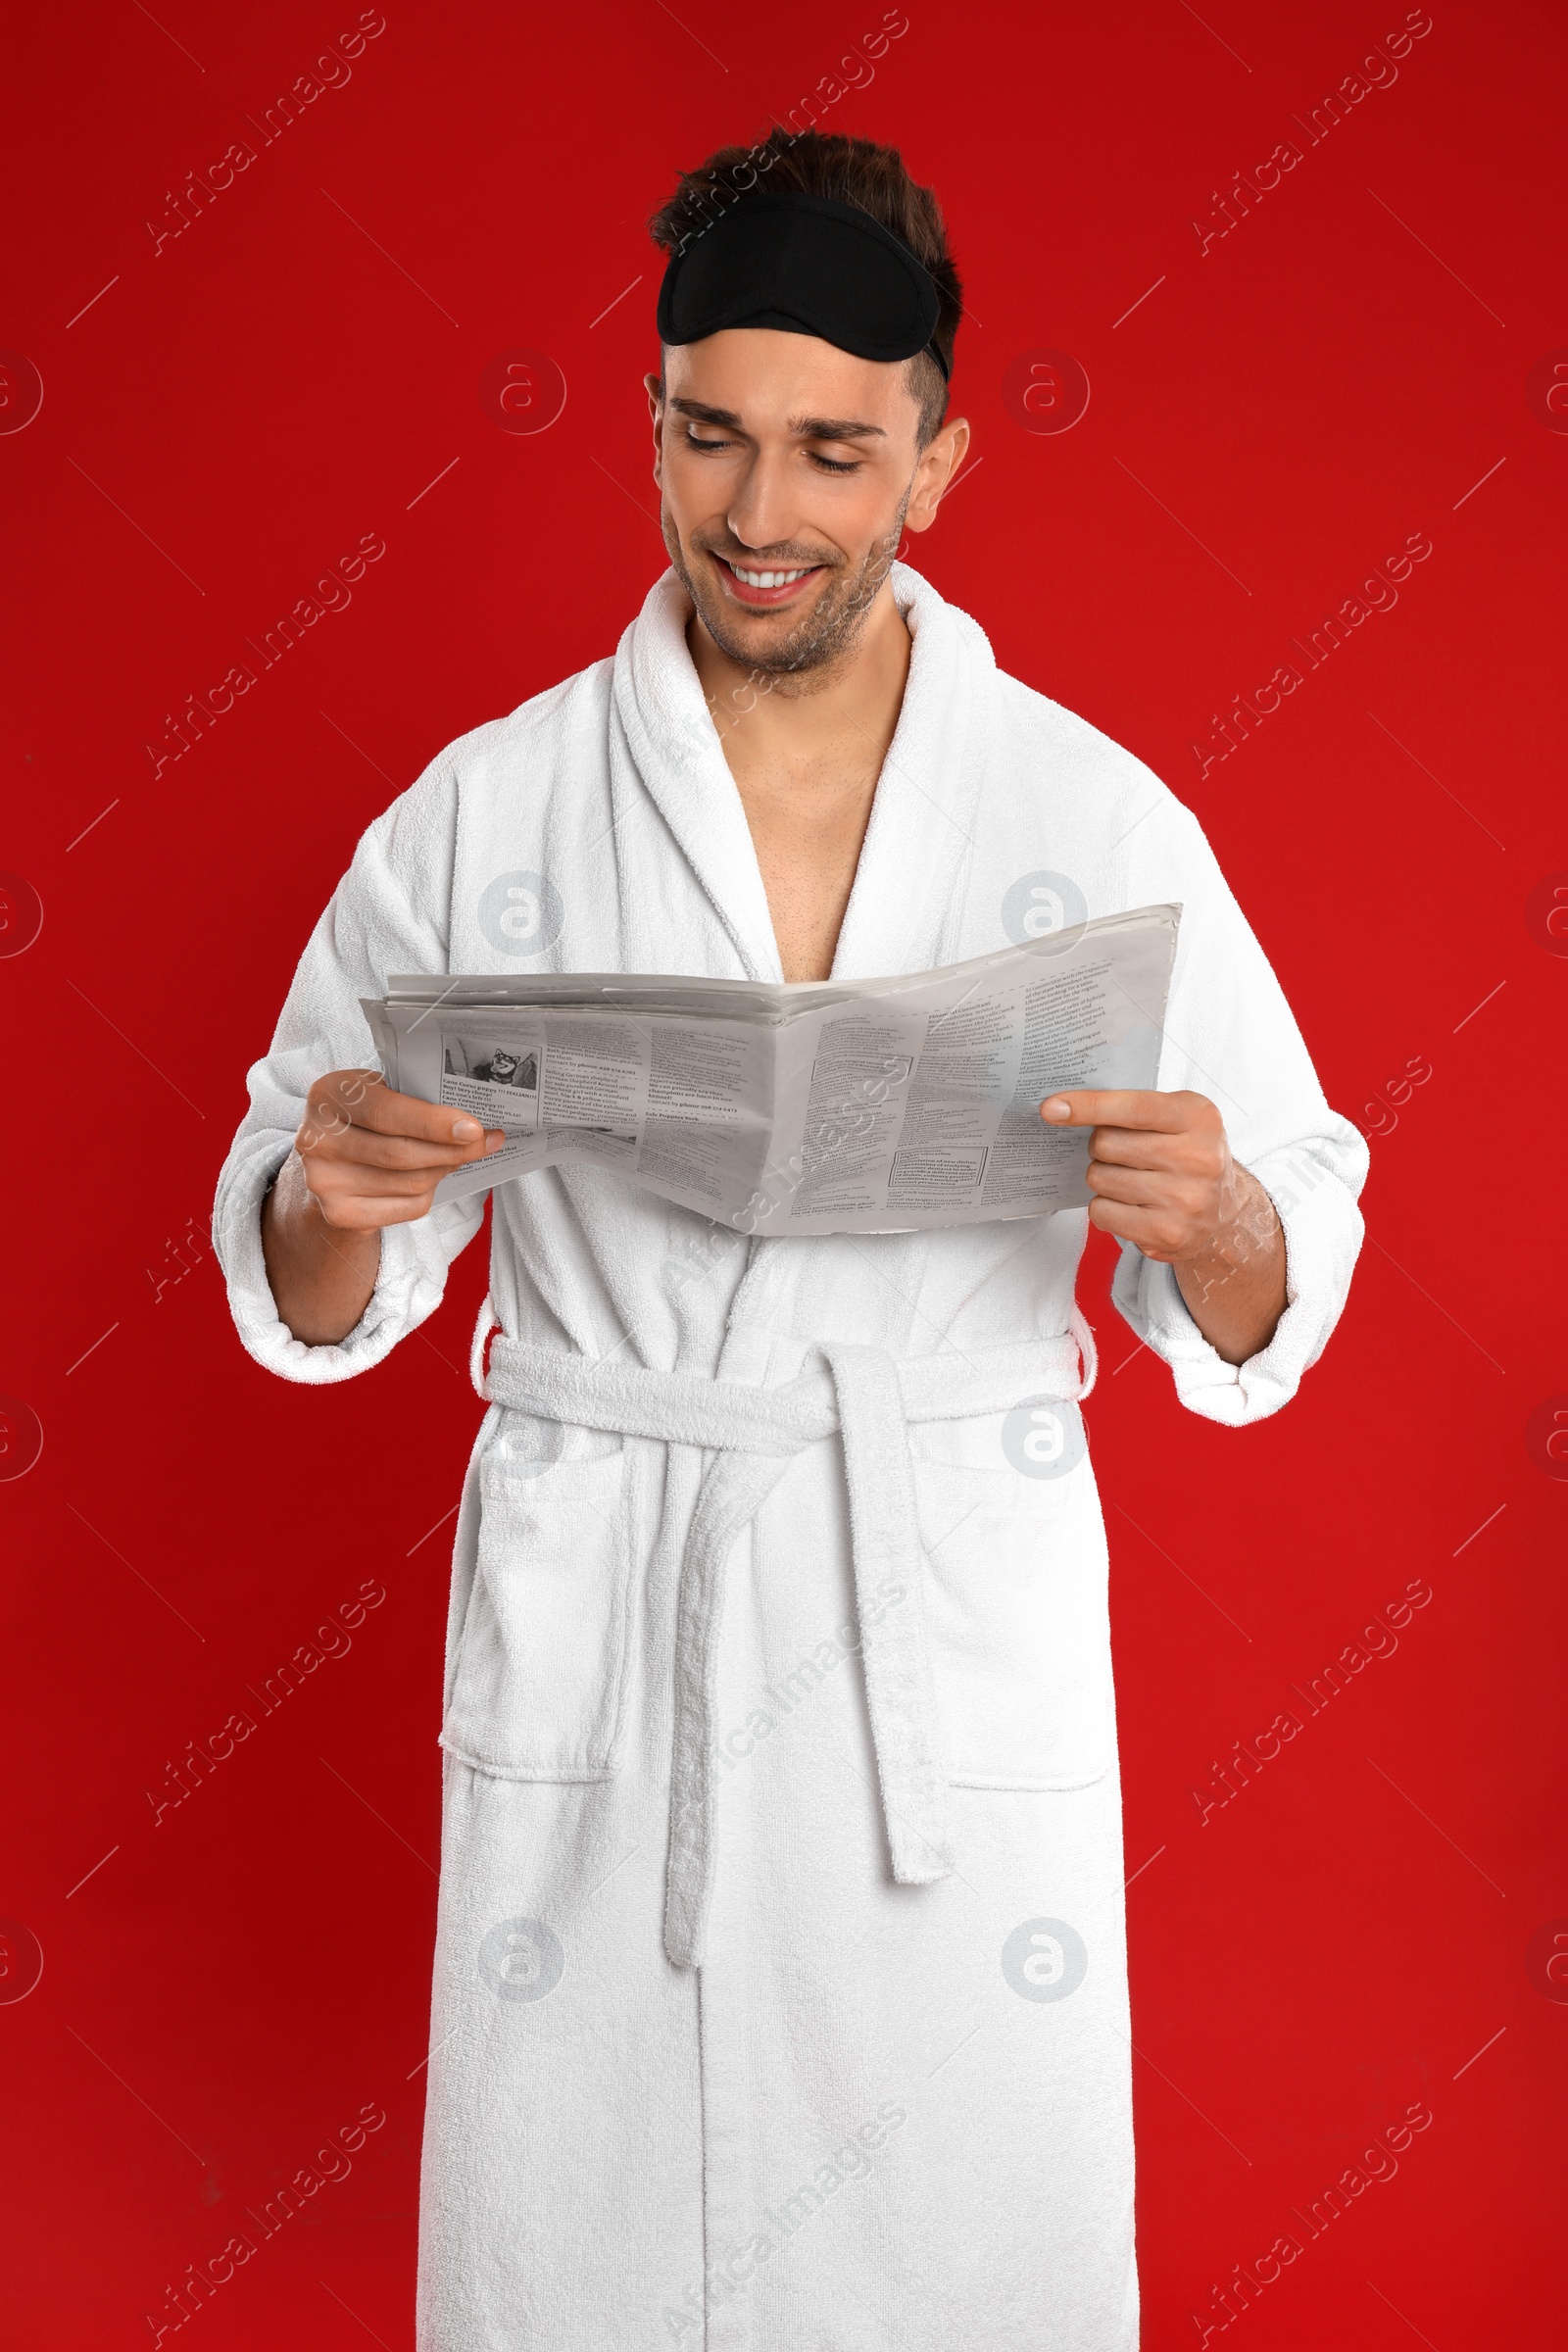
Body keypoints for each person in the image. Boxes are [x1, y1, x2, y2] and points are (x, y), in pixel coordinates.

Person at [215, 128, 1367, 2352]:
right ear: (649, 429)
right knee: (584, 2233)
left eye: (832, 451)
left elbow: (1278, 1244)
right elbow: (304, 1265)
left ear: (933, 458)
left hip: (932, 1586)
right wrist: (325, 1199)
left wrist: (1210, 1213)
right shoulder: (487, 810)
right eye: (708, 439)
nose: (761, 518)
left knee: (965, 2229)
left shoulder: (1087, 816)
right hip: (610, 1573)